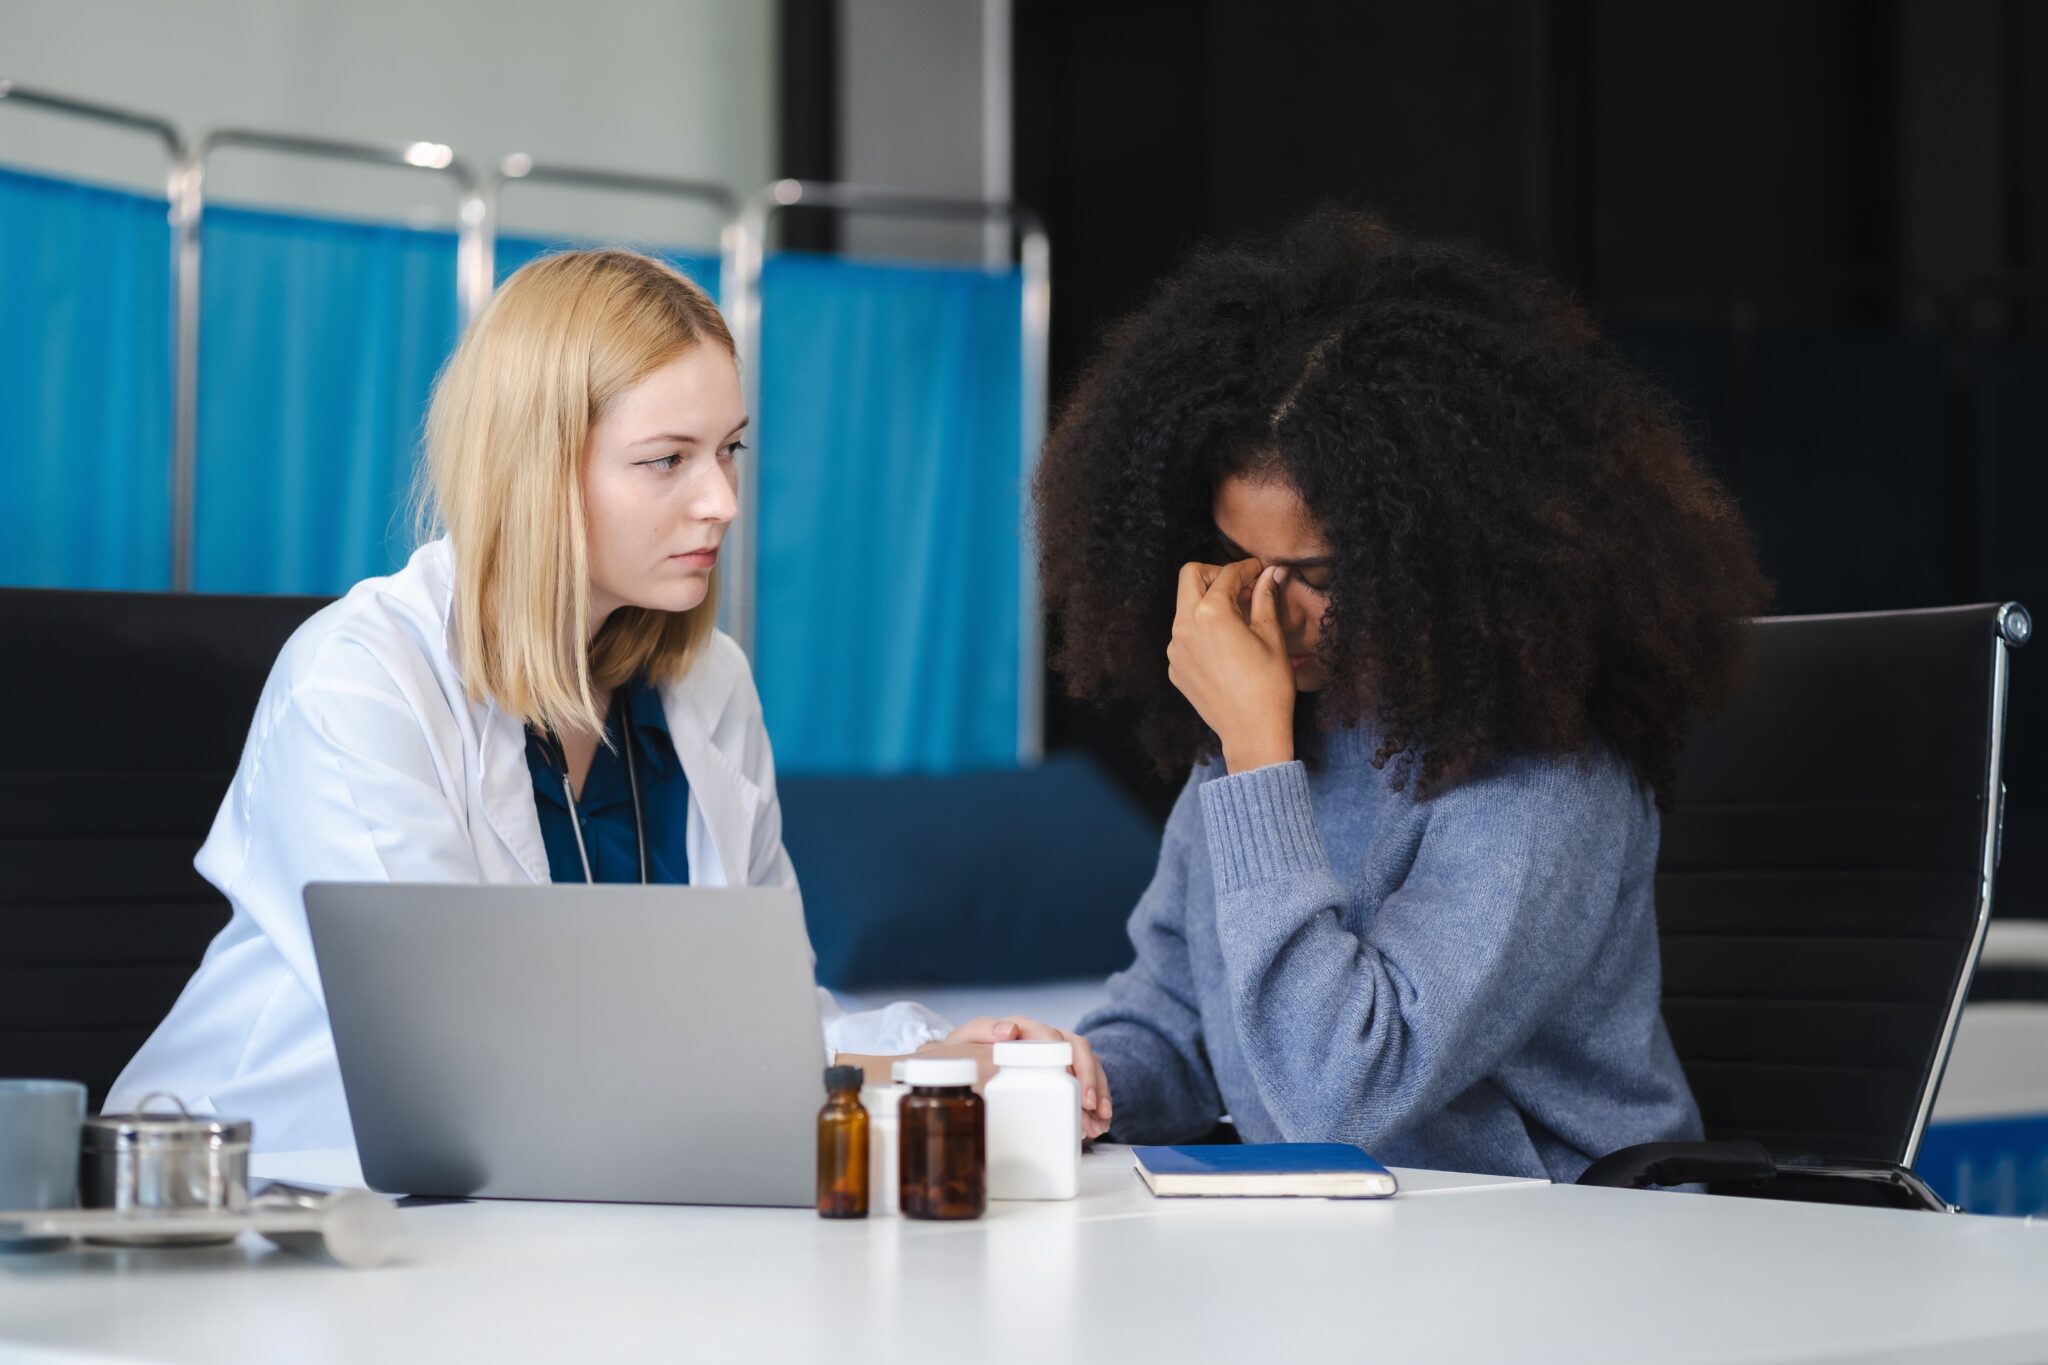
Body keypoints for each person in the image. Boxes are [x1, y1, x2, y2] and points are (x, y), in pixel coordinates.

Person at [108, 249, 1107, 1152]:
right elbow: (465, 1047)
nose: (718, 500)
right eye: (666, 460)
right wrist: (890, 1077)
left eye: (729, 451)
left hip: (553, 1201)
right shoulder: (361, 683)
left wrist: (944, 1056)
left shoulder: (705, 684)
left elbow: (753, 1017)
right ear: (532, 471)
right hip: (268, 1199)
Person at [1035, 211, 1770, 1181]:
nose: (1264, 612)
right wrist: (1083, 1081)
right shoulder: (1263, 731)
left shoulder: (1543, 778)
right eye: (1232, 561)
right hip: (1345, 1257)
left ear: (1434, 555)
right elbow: (1179, 1024)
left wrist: (1259, 755)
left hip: (1558, 1263)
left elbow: (1336, 1094)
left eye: (1320, 575)